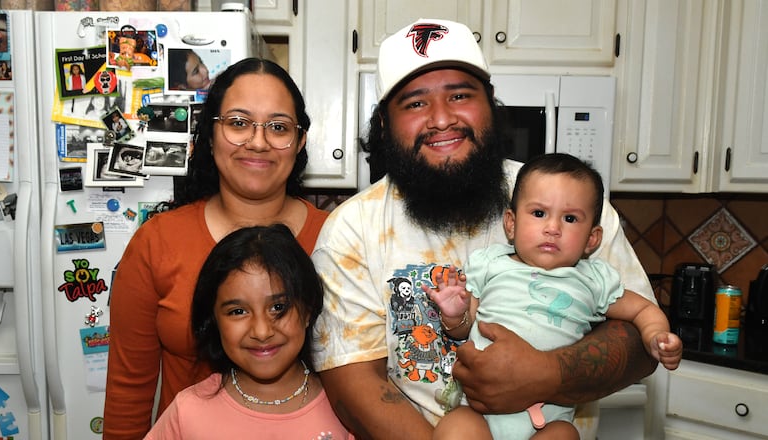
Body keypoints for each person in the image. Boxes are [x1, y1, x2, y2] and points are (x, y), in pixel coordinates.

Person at [311, 18, 658, 439]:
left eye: (460, 95)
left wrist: (547, 373)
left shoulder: (567, 207)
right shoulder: (352, 230)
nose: (442, 119)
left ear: (491, 105)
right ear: (385, 124)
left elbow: (641, 344)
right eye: (415, 103)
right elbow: (353, 384)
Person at [104, 57, 329, 439]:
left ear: (299, 141)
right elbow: (128, 391)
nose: (258, 142)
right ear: (209, 136)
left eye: (278, 127)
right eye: (239, 123)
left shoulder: (339, 240)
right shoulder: (156, 242)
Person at [427, 153, 682, 440]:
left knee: (565, 435)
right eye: (539, 213)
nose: (553, 228)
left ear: (592, 239)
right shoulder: (491, 264)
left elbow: (641, 310)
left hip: (548, 420)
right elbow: (465, 325)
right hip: (478, 413)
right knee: (454, 429)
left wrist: (656, 335)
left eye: (570, 218)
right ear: (511, 224)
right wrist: (454, 314)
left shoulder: (594, 279)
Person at [144, 225, 352, 439]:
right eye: (238, 311)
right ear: (214, 320)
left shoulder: (350, 408)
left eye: (278, 307)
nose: (262, 332)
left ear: (308, 310)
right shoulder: (188, 412)